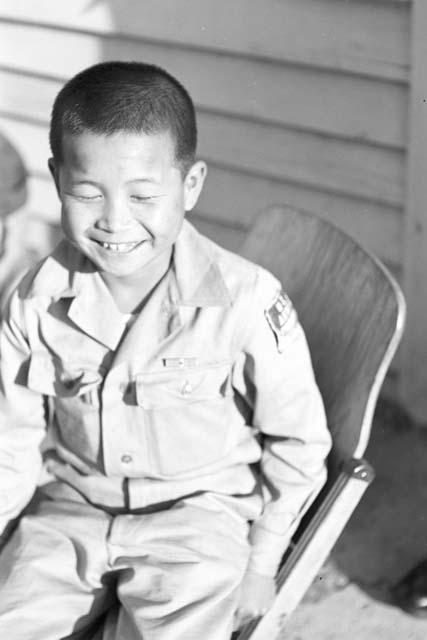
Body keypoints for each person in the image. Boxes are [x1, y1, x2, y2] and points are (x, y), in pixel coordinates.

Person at [0, 61, 331, 639]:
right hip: (71, 509)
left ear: (191, 185)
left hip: (197, 522)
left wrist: (261, 562)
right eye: (86, 193)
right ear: (56, 180)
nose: (114, 221)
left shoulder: (246, 302)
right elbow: (10, 443)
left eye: (143, 195)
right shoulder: (32, 302)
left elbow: (299, 443)